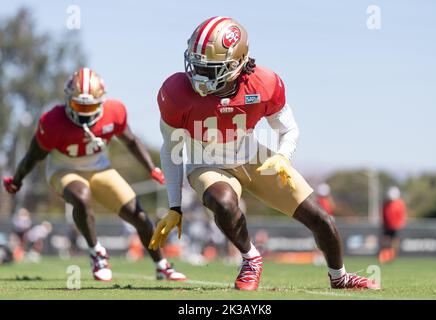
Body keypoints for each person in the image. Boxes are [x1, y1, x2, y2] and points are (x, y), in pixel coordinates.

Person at [149, 17, 379, 290]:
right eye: (196, 65)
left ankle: (339, 277)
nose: (198, 76)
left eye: (209, 69)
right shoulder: (176, 92)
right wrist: (175, 206)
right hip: (207, 163)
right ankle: (251, 258)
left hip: (254, 157)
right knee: (222, 201)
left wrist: (282, 155)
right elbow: (172, 148)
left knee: (321, 220)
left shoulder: (263, 84)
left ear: (237, 64)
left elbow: (289, 130)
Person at [3, 68, 186, 282]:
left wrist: (151, 168)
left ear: (101, 101)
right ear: (68, 100)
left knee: (140, 218)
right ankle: (96, 253)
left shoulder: (114, 112)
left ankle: (161, 266)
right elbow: (33, 156)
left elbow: (132, 141)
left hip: (101, 169)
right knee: (81, 195)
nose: (83, 113)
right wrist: (16, 180)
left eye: (89, 106)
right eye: (79, 105)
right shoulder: (52, 122)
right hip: (64, 170)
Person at [379, 186, 407, 263]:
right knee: (385, 240)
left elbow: (402, 215)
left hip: (396, 226)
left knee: (395, 241)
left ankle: (392, 256)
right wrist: (384, 224)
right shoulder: (386, 203)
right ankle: (384, 256)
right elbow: (384, 214)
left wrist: (399, 224)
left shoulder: (400, 203)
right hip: (387, 226)